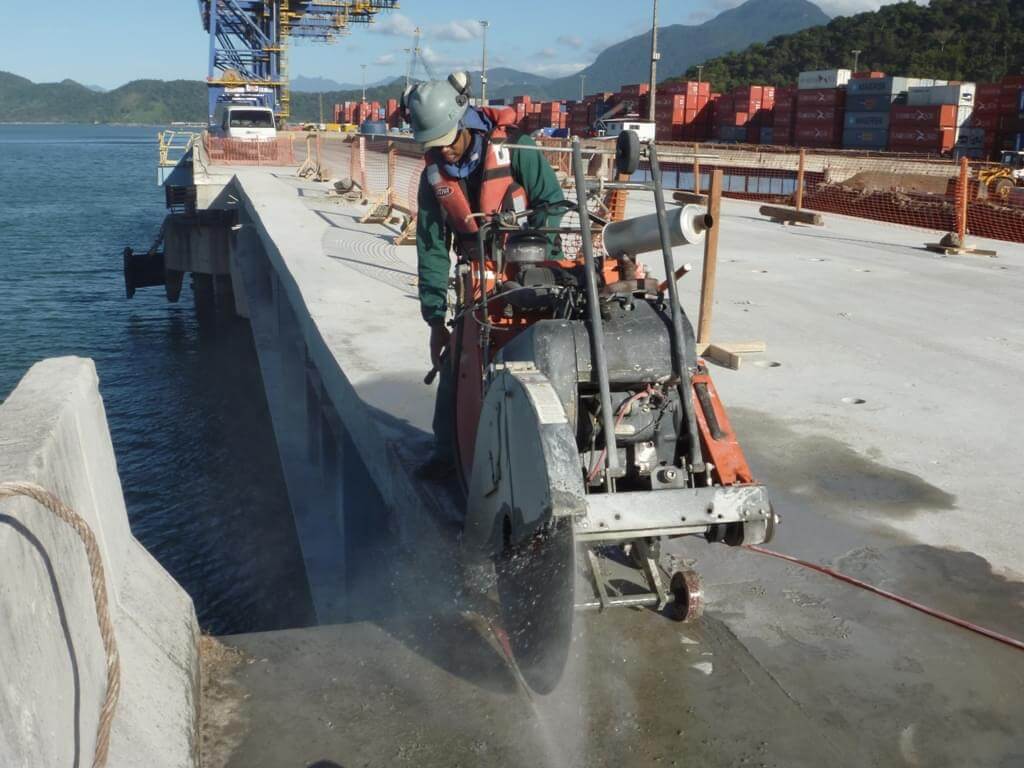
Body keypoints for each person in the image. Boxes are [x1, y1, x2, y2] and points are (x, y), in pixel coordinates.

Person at [404, 72, 565, 478]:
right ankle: (448, 453)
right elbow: (432, 247)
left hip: (531, 268)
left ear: (464, 122)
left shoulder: (518, 149)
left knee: (543, 356)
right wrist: (434, 319)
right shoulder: (434, 177)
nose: (446, 154)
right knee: (459, 358)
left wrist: (534, 256)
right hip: (477, 278)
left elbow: (552, 201)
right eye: (434, 147)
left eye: (448, 143)